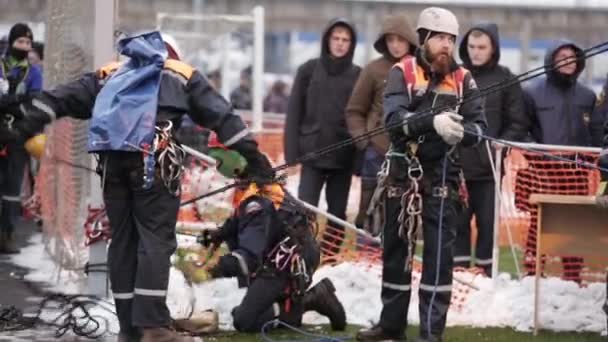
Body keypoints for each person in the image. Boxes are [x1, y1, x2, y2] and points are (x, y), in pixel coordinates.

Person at [0, 31, 274, 342]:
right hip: (154, 165)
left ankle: (130, 330)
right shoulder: (181, 74)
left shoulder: (112, 73)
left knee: (124, 242)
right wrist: (256, 162)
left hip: (112, 167)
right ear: (173, 55)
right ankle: (154, 327)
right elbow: (224, 118)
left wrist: (21, 128)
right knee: (155, 242)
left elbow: (57, 99)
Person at [356, 7, 486, 342]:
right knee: (396, 254)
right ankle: (391, 326)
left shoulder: (463, 79)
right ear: (425, 38)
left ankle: (431, 335)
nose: (447, 45)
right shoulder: (404, 71)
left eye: (451, 39)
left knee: (439, 261)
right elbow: (393, 120)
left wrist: (463, 132)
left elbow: (480, 129)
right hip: (404, 176)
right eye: (440, 38)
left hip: (444, 177)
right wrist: (433, 122)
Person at [200, 167, 346, 333]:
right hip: (290, 256)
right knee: (250, 310)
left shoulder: (256, 202)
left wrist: (220, 267)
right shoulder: (263, 190)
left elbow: (251, 257)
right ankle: (285, 304)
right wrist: (218, 234)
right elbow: (239, 223)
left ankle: (311, 300)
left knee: (244, 321)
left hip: (287, 263)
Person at [519, 40, 603, 282]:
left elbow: (596, 133)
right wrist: (536, 155)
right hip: (543, 171)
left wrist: (592, 157)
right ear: (551, 60)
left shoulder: (588, 96)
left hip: (577, 173)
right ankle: (532, 275)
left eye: (572, 56)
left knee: (575, 224)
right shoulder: (531, 92)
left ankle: (573, 277)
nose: (568, 60)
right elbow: (522, 131)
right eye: (562, 56)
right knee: (539, 224)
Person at [454, 22, 527, 275]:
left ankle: (486, 276)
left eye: (481, 47)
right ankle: (459, 275)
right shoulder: (455, 75)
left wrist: (503, 143)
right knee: (458, 224)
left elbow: (518, 122)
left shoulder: (507, 79)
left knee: (488, 226)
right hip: (457, 168)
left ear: (493, 48)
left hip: (490, 168)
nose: (476, 51)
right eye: (472, 46)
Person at [284, 18, 360, 259]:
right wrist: (291, 153)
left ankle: (328, 257)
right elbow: (295, 112)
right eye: (335, 38)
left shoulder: (358, 75)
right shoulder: (308, 70)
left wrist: (358, 159)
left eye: (345, 40)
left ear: (352, 44)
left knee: (337, 213)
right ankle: (303, 253)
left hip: (343, 157)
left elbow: (362, 117)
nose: (339, 44)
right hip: (312, 153)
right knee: (304, 208)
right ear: (327, 40)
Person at [345, 13, 417, 233]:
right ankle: (365, 262)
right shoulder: (373, 70)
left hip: (410, 153)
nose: (395, 45)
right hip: (376, 151)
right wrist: (364, 141)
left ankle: (397, 260)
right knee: (369, 211)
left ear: (410, 40)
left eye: (400, 39)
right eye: (390, 40)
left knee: (404, 212)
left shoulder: (421, 69)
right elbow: (354, 110)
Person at [0, 23, 42, 254]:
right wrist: (11, 101)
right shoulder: (1, 66)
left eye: (28, 43)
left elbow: (34, 103)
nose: (24, 47)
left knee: (12, 187)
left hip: (18, 134)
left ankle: (6, 234)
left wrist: (15, 106)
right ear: (11, 43)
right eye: (20, 42)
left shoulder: (34, 72)